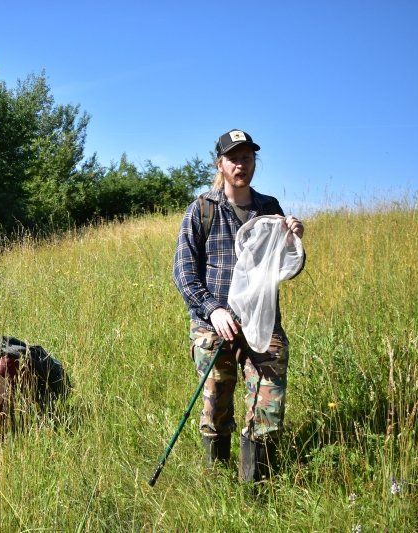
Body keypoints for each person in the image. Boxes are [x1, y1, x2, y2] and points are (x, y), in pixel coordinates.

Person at [172, 129, 305, 483]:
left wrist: (293, 238)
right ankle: (216, 482)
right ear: (220, 164)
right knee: (216, 403)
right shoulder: (202, 209)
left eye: (247, 158)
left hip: (262, 324)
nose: (241, 165)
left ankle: (256, 491)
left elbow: (289, 269)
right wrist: (213, 309)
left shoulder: (270, 209)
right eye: (233, 158)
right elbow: (183, 271)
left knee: (267, 405)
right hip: (213, 325)